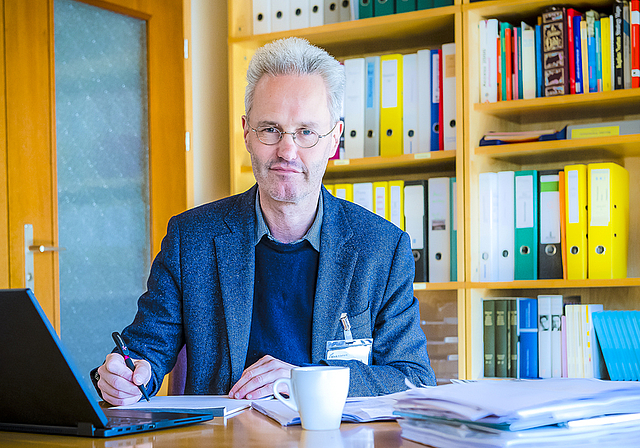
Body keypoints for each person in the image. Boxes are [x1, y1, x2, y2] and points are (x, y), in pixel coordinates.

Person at [93, 37, 436, 406]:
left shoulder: (381, 248)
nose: (287, 151)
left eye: (306, 132)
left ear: (334, 138)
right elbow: (143, 352)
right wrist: (123, 377)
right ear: (246, 132)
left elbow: (413, 377)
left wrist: (304, 378)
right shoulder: (190, 239)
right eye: (270, 129)